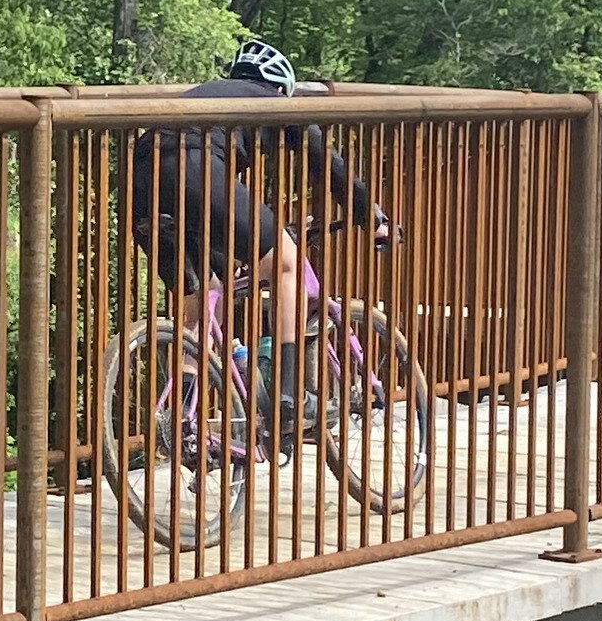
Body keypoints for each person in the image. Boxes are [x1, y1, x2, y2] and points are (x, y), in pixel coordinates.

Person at [119, 43, 395, 387]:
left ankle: (181, 416)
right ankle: (288, 394)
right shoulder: (274, 103)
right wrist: (372, 218)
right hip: (195, 167)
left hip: (140, 184)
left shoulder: (207, 93)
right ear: (281, 87)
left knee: (203, 296)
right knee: (286, 263)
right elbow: (328, 165)